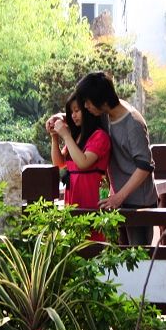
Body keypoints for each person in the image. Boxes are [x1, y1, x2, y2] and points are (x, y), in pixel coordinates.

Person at [75, 71, 158, 245]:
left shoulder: (133, 123)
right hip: (119, 200)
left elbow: (145, 166)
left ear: (101, 100)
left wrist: (119, 197)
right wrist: (60, 119)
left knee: (139, 260)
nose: (86, 106)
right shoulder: (104, 115)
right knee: (120, 259)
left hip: (138, 203)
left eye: (88, 102)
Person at [49, 93, 111, 241]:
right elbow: (59, 163)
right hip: (73, 201)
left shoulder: (99, 136)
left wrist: (66, 135)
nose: (73, 115)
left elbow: (83, 162)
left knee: (93, 242)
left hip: (91, 200)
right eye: (71, 112)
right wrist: (55, 137)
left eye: (77, 111)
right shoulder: (77, 138)